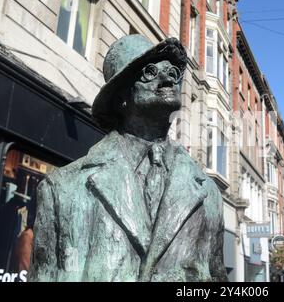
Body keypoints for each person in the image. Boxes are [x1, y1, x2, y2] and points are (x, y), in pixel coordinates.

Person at [29, 35, 227, 282]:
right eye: (150, 71)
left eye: (174, 72)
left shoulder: (207, 193)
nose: (168, 79)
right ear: (121, 96)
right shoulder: (62, 187)